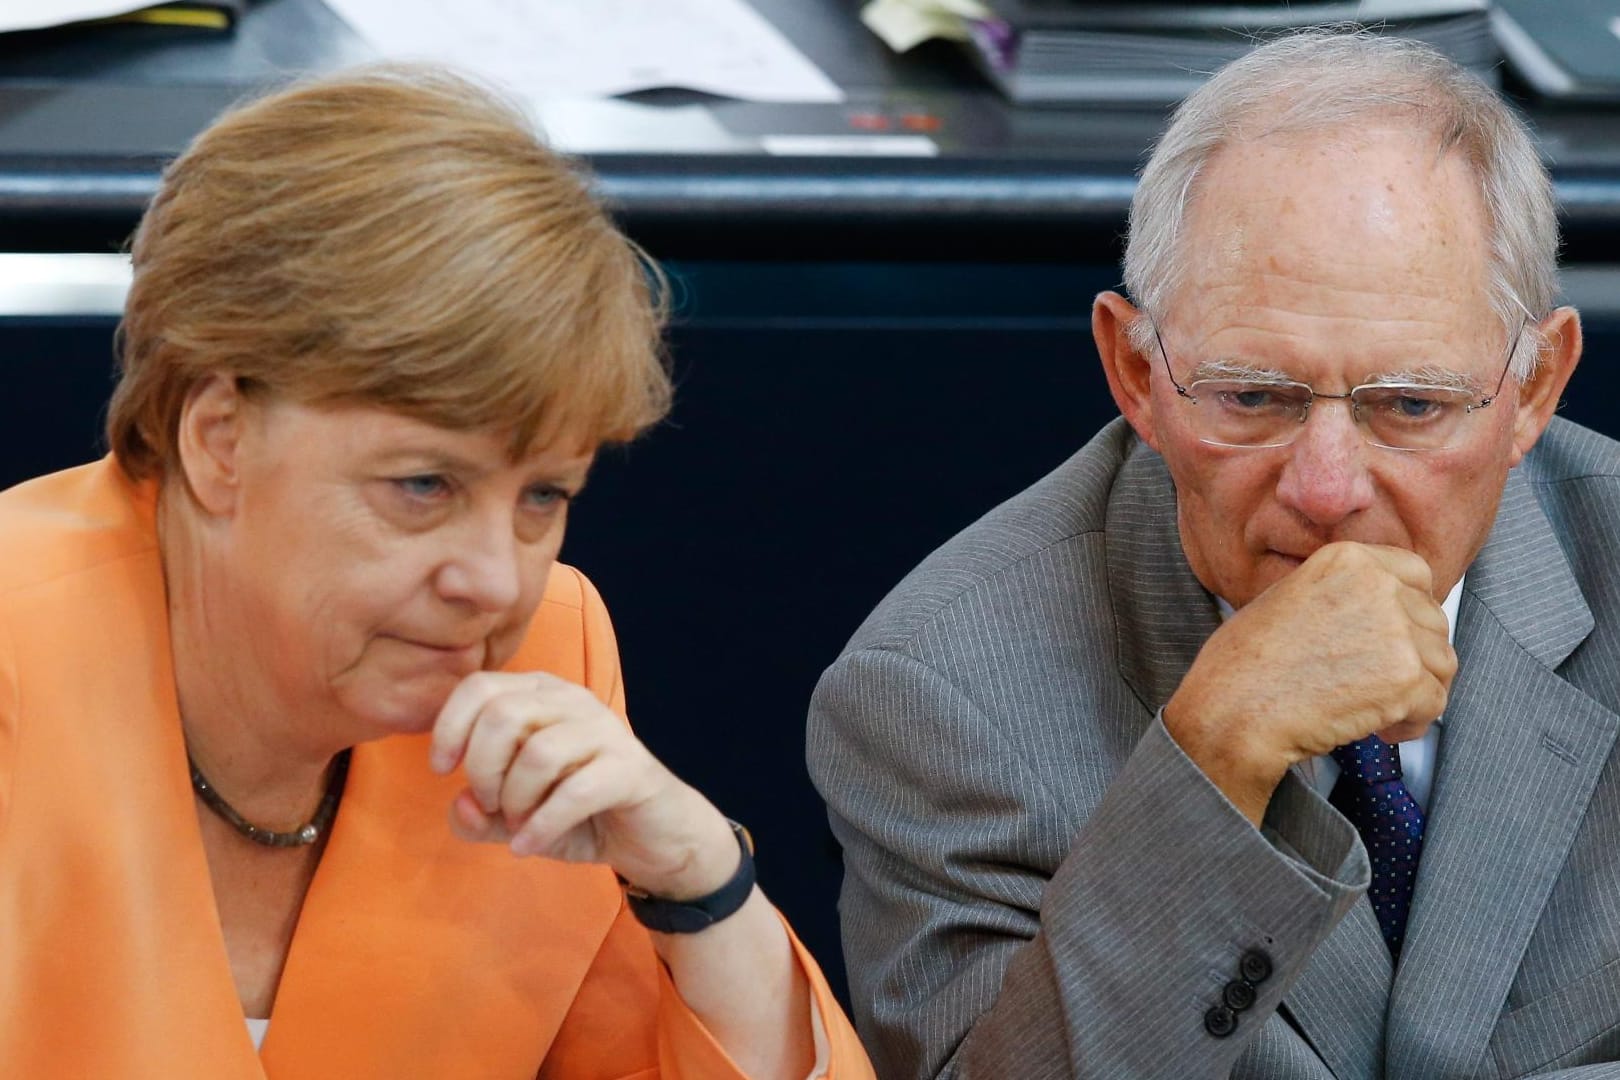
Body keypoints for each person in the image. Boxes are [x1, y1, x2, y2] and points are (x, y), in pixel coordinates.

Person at [0, 65, 874, 1080]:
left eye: (543, 496)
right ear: (219, 439)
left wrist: (700, 884)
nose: (497, 583)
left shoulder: (544, 664)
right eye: (423, 485)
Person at [808, 29, 1619, 1079]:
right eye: (1253, 397)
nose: (1327, 487)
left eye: (1411, 405)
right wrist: (1211, 760)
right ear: (1136, 372)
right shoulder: (945, 697)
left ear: (1537, 390)